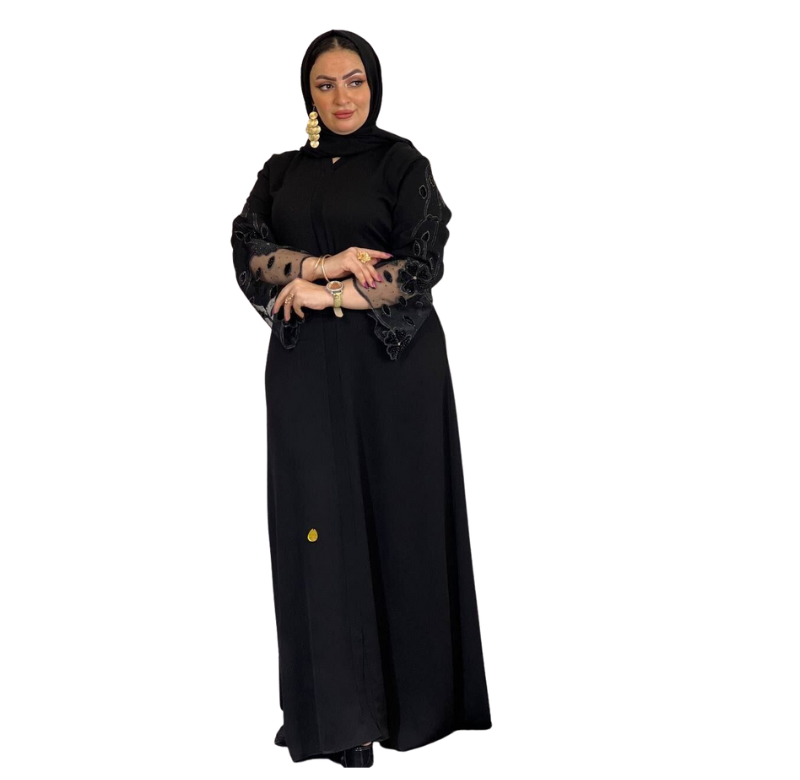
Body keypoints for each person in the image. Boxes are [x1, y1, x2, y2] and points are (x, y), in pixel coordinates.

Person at [230, 29, 491, 767]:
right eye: (325, 84)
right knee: (316, 526)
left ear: (373, 85)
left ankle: (413, 706)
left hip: (393, 374)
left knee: (399, 521)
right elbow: (248, 251)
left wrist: (329, 293)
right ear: (307, 95)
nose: (342, 98)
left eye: (355, 82)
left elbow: (422, 263)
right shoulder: (281, 173)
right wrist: (317, 266)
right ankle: (334, 715)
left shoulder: (402, 164)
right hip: (306, 372)